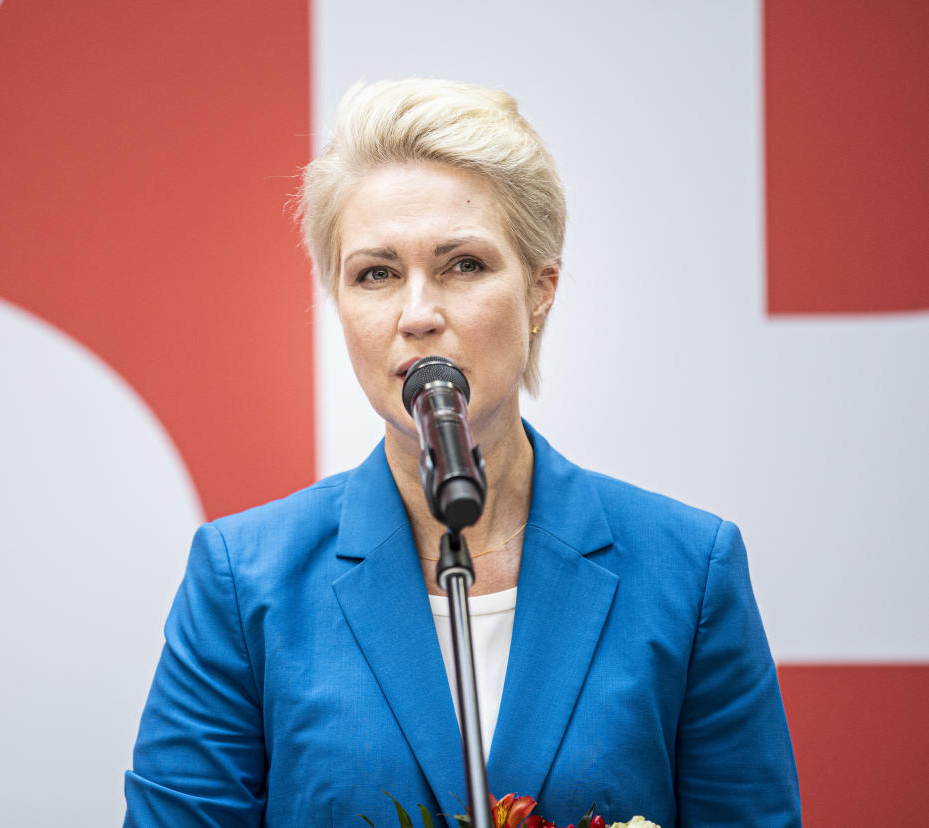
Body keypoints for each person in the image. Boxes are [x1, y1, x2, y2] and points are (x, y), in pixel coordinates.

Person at [123, 79, 801, 827]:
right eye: (376, 274)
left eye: (464, 265)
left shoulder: (689, 571)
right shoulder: (243, 579)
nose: (418, 315)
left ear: (540, 292)